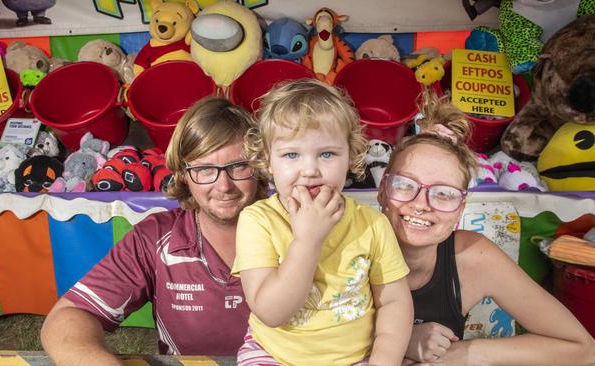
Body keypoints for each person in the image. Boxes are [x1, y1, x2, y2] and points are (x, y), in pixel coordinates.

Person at [41, 97, 267, 365]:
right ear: (183, 173)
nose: (224, 185)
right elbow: (69, 317)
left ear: (259, 166)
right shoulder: (156, 238)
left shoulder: (295, 230)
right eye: (205, 169)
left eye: (237, 166)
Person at [377, 91, 595, 365]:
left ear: (460, 208)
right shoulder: (346, 245)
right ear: (383, 190)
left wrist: (468, 353)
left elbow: (583, 349)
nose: (422, 203)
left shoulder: (470, 257)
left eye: (444, 193)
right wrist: (403, 339)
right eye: (406, 185)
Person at [232, 79, 413, 366]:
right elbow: (271, 312)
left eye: (327, 154)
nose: (310, 170)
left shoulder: (372, 224)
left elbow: (394, 302)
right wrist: (307, 240)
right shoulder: (258, 221)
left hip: (356, 358)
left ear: (351, 156)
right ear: (267, 160)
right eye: (291, 154)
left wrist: (383, 362)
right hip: (274, 355)